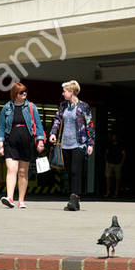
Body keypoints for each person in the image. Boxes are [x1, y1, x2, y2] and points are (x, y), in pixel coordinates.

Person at [48, 79, 94, 212]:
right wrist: (53, 133)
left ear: (71, 92)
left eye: (65, 91)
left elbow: (89, 125)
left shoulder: (83, 106)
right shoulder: (63, 105)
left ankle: (73, 199)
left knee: (75, 171)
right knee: (69, 171)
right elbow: (57, 120)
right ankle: (76, 200)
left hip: (79, 143)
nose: (63, 94)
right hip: (65, 144)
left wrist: (90, 143)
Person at [0, 81, 44, 209]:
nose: (24, 94)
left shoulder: (31, 107)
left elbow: (38, 125)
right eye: (21, 92)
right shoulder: (7, 107)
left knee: (23, 172)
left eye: (25, 92)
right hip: (10, 142)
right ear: (15, 94)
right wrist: (0, 144)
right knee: (11, 170)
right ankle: (10, 198)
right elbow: (1, 126)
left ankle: (21, 200)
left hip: (26, 142)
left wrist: (40, 140)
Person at [103, 133, 125, 199]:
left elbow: (124, 154)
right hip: (109, 163)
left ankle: (116, 192)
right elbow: (106, 152)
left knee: (117, 178)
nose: (114, 138)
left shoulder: (120, 145)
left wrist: (121, 162)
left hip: (117, 163)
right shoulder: (109, 144)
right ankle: (108, 192)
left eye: (115, 137)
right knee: (108, 177)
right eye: (113, 137)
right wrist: (106, 160)